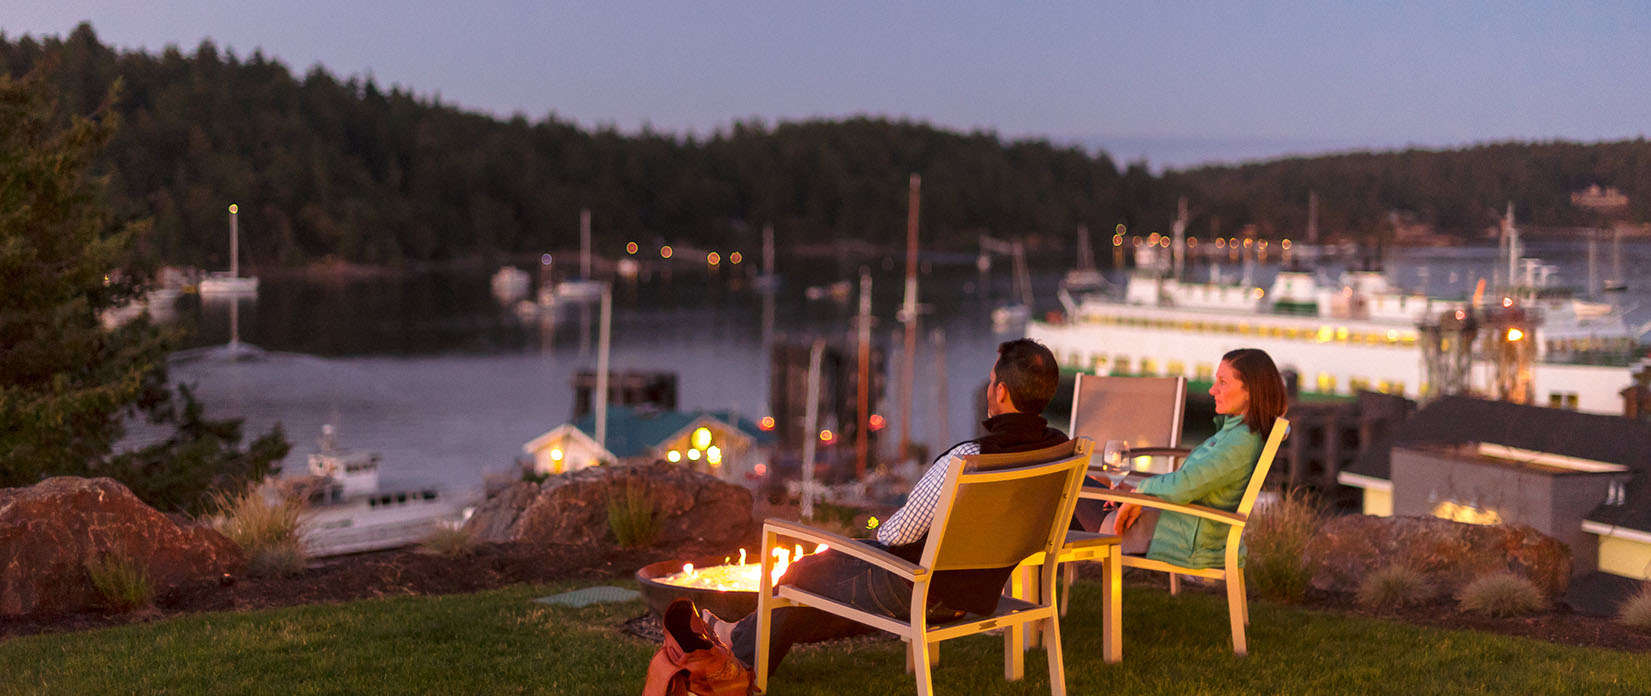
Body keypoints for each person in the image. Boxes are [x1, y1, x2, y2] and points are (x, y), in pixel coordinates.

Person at [706, 338, 1068, 673]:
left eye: (991, 381)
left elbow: (897, 535)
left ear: (1001, 391)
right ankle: (738, 636)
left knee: (800, 575)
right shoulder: (1058, 450)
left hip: (919, 590)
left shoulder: (971, 458)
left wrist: (882, 531)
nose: (989, 388)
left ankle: (737, 662)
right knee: (820, 567)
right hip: (980, 591)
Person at [1101, 348, 1287, 564]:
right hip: (1176, 524)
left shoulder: (1240, 442)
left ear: (1251, 391)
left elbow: (1183, 486)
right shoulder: (1237, 434)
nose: (1211, 390)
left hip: (1179, 537)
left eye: (1223, 382)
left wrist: (1140, 492)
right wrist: (1138, 494)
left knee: (1068, 503)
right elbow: (1192, 484)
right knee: (1085, 493)